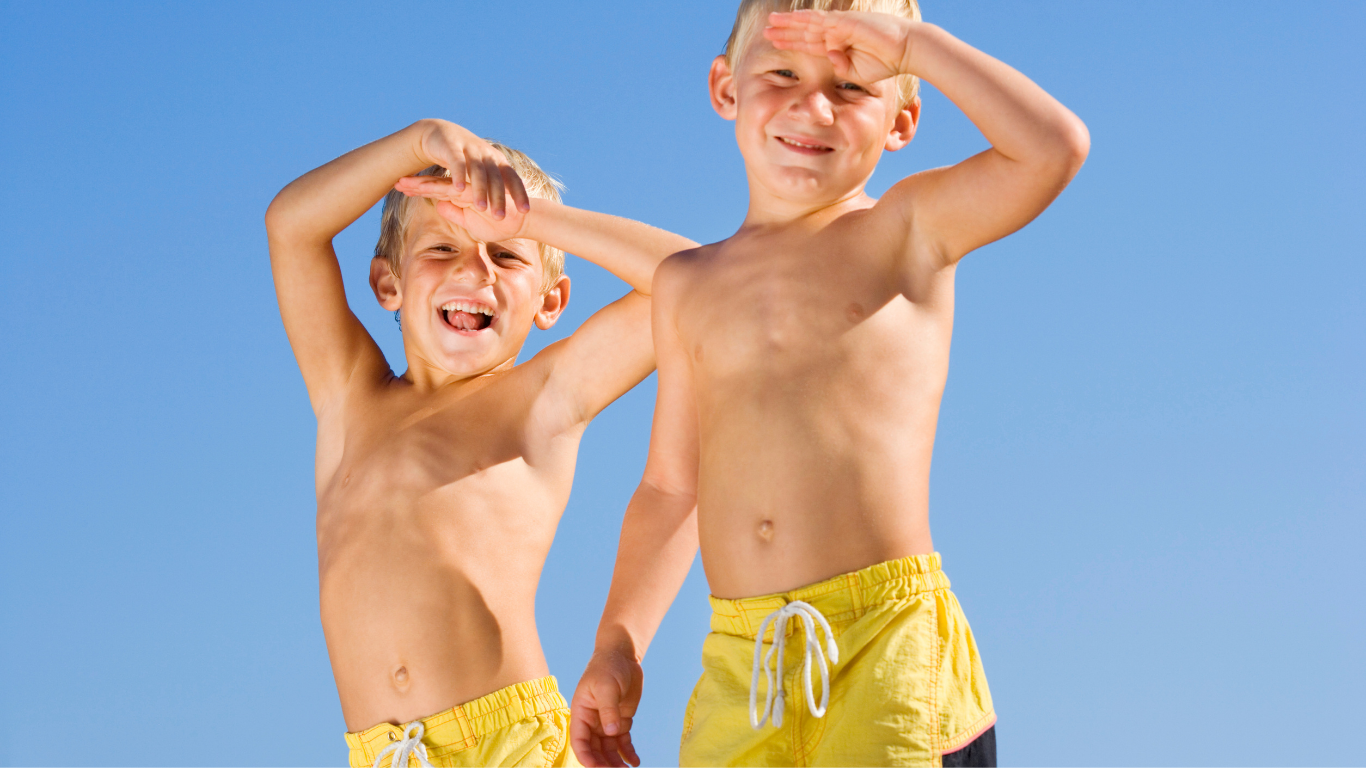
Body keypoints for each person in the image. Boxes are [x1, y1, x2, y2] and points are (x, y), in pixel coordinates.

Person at [570, 1, 1088, 765]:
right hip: (742, 664)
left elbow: (1052, 149)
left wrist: (916, 47)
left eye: (852, 87)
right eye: (782, 73)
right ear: (726, 89)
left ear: (901, 121)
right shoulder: (687, 284)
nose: (813, 106)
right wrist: (618, 642)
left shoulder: (906, 230)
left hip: (886, 644)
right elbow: (672, 488)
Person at [264, 118, 695, 767]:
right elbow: (291, 227)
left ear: (551, 301)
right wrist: (422, 141)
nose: (476, 268)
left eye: (506, 251)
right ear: (388, 284)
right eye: (442, 248)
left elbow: (696, 282)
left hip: (508, 744)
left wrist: (533, 218)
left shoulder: (542, 399)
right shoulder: (349, 395)